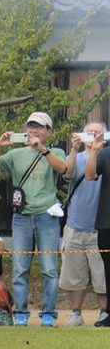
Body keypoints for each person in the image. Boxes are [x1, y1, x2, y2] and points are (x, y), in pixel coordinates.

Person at [0, 111, 69, 326]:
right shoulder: (16, 154)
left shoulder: (56, 151)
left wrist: (42, 149)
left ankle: (48, 314)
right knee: (20, 268)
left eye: (39, 127)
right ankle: (21, 313)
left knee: (50, 269)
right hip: (21, 217)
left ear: (48, 132)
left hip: (47, 216)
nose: (34, 130)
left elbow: (63, 169)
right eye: (31, 125)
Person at [59, 123, 108, 326]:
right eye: (89, 132)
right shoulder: (77, 158)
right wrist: (73, 149)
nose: (93, 135)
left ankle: (104, 312)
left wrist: (97, 150)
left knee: (102, 276)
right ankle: (76, 313)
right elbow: (67, 173)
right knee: (74, 276)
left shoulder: (106, 157)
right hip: (75, 226)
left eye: (97, 131)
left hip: (100, 227)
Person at [78, 131, 110, 326]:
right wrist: (95, 151)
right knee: (108, 269)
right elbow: (90, 175)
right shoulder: (106, 153)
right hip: (107, 221)